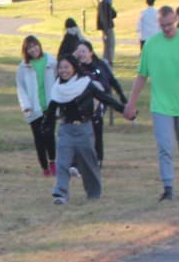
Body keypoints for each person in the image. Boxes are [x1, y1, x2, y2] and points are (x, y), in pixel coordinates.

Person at [125, 0, 179, 199]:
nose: (167, 29)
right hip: (161, 104)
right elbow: (142, 75)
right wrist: (131, 103)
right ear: (158, 24)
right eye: (163, 26)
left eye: (170, 25)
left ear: (176, 20)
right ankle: (168, 186)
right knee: (164, 146)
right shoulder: (151, 45)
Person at [44, 54, 115, 204]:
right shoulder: (58, 88)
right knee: (62, 163)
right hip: (66, 130)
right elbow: (51, 110)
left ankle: (94, 192)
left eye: (66, 67)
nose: (63, 71)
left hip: (84, 129)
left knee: (88, 164)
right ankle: (60, 194)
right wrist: (46, 127)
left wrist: (124, 108)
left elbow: (104, 97)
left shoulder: (85, 83)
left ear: (74, 68)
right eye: (61, 68)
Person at [70, 39, 124, 161]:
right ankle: (76, 161)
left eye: (84, 51)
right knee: (79, 133)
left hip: (97, 104)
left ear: (91, 53)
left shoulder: (98, 67)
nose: (81, 54)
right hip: (80, 106)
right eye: (79, 52)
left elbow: (107, 84)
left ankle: (98, 160)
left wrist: (121, 96)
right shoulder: (75, 68)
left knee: (96, 131)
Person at [14, 35, 56, 177]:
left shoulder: (51, 61)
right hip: (33, 107)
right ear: (26, 51)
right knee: (39, 138)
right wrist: (25, 105)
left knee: (49, 135)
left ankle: (53, 162)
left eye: (34, 45)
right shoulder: (23, 67)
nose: (33, 49)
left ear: (39, 45)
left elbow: (59, 80)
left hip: (49, 106)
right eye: (29, 48)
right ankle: (44, 167)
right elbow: (21, 88)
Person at [96, 0, 118, 65]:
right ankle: (110, 59)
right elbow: (114, 14)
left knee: (106, 44)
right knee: (111, 44)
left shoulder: (100, 5)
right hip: (108, 27)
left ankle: (105, 58)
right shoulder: (107, 6)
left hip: (103, 28)